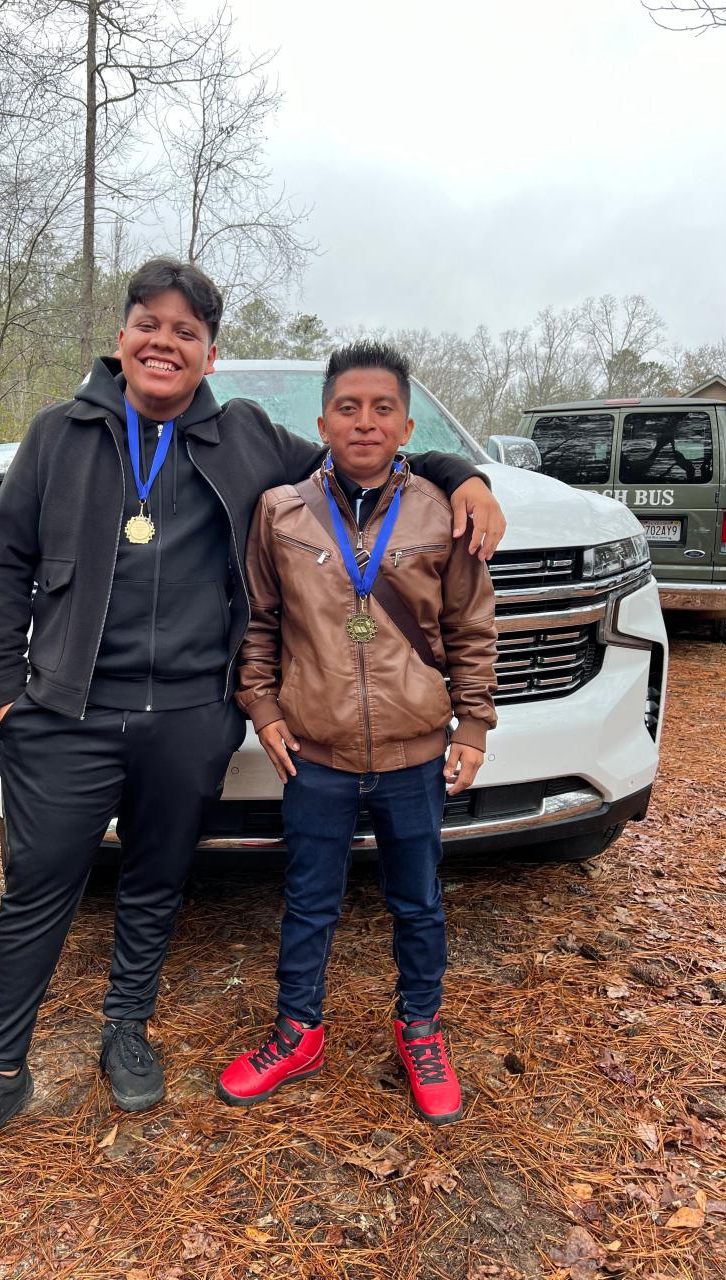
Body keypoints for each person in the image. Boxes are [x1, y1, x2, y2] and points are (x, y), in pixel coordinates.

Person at [0, 260, 506, 1178]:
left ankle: (126, 1030)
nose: (165, 342)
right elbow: (4, 566)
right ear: (121, 338)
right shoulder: (57, 436)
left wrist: (460, 472)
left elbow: (360, 454)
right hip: (66, 713)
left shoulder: (244, 440)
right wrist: (5, 690)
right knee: (38, 892)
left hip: (190, 716)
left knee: (155, 882)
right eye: (149, 324)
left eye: (186, 332)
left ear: (208, 354)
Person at [217, 340, 498, 1125]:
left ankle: (420, 1031)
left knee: (419, 901)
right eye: (348, 407)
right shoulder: (281, 511)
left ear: (406, 425)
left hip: (414, 753)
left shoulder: (447, 512)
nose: (364, 422)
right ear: (322, 421)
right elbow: (260, 625)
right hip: (317, 753)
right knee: (310, 900)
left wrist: (472, 722)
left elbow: (472, 626)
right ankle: (298, 1030)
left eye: (382, 409)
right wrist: (265, 710)